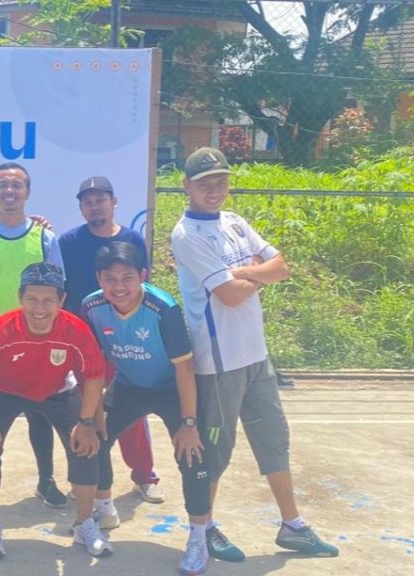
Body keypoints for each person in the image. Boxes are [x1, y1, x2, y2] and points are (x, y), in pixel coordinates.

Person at [170, 146, 339, 562]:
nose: (214, 190)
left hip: (256, 357)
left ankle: (293, 526)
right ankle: (205, 527)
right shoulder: (187, 235)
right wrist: (258, 274)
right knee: (216, 452)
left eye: (221, 182)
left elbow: (282, 266)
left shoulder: (234, 221)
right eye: (205, 184)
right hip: (218, 363)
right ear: (187, 186)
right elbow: (229, 295)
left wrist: (247, 272)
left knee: (273, 441)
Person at [0, 262, 111, 560]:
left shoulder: (74, 329)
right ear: (20, 298)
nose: (39, 309)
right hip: (5, 390)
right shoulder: (0, 329)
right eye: (32, 299)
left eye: (48, 301)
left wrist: (87, 422)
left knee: (86, 446)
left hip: (57, 391)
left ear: (61, 300)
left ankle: (84, 523)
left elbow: (94, 374)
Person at [81, 241, 211, 575]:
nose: (119, 287)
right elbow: (95, 364)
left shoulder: (163, 308)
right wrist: (90, 416)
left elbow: (185, 368)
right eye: (110, 279)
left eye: (127, 278)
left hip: (171, 389)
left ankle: (199, 537)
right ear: (98, 279)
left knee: (192, 454)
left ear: (142, 275)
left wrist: (189, 423)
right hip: (129, 385)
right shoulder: (92, 306)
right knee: (95, 438)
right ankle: (104, 509)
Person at [0, 162, 68, 509]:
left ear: (27, 192)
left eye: (16, 185)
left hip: (37, 339)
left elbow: (57, 292)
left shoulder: (45, 238)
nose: (9, 191)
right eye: (2, 185)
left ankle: (45, 480)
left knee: (39, 410)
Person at [58, 175, 163, 507]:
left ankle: (144, 476)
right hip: (83, 342)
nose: (95, 207)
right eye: (88, 202)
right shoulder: (67, 242)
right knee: (84, 413)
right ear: (81, 208)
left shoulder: (133, 239)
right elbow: (62, 291)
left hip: (124, 339)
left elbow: (142, 289)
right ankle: (86, 476)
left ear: (113, 202)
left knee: (131, 411)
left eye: (101, 200)